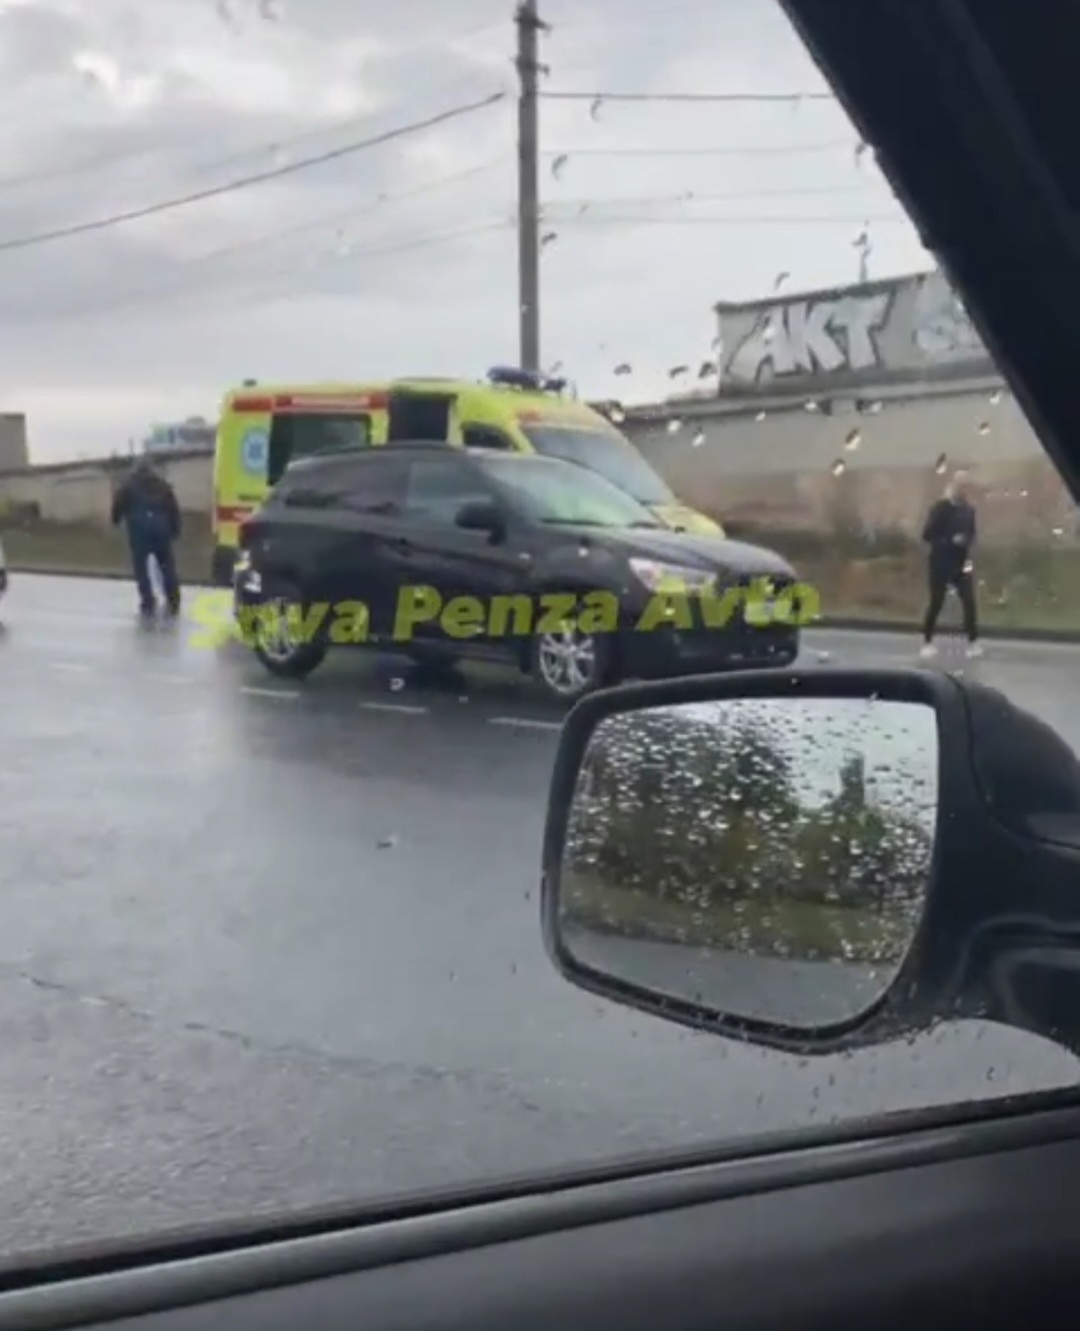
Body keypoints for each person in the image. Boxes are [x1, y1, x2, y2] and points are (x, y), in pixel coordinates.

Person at [919, 468, 981, 658]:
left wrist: (966, 540)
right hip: (940, 561)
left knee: (969, 601)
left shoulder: (969, 510)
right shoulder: (941, 508)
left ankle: (973, 641)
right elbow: (927, 534)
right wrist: (949, 540)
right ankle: (927, 641)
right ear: (954, 486)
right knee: (936, 602)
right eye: (961, 486)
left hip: (961, 562)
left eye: (966, 486)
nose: (964, 490)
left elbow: (972, 533)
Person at [110, 457, 182, 617]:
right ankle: (173, 598)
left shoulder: (128, 486)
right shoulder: (163, 486)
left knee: (141, 568)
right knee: (166, 565)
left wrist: (115, 519)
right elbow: (173, 509)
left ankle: (148, 600)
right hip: (162, 530)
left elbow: (118, 505)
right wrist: (175, 530)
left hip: (139, 531)